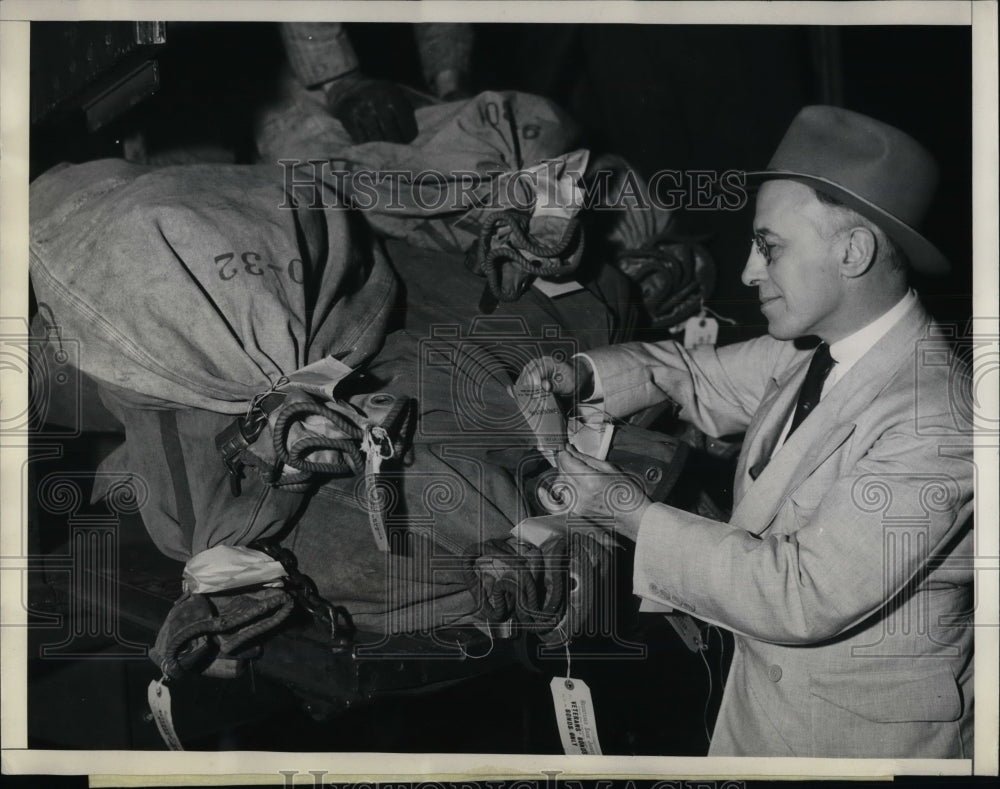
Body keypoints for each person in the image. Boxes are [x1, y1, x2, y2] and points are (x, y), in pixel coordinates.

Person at [526, 106, 974, 758]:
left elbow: (801, 593)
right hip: (766, 718)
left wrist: (626, 511)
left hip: (861, 750)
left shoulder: (941, 416)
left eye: (770, 247)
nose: (746, 272)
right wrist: (579, 374)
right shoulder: (811, 351)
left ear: (853, 251)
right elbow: (688, 375)